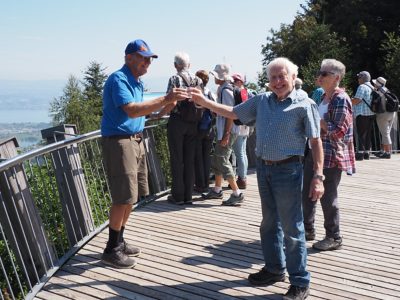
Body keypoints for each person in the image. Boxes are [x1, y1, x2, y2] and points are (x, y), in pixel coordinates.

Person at [190, 57, 324, 300]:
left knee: (292, 228)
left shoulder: (306, 105)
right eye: (273, 77)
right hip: (264, 169)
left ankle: (300, 281)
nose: (277, 81)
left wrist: (318, 176)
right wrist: (204, 101)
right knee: (269, 224)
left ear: (293, 77)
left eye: (282, 76)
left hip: (289, 170)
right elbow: (232, 111)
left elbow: (315, 143)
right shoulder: (262, 101)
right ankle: (275, 269)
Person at [100, 39, 188, 269]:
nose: (148, 62)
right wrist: (165, 98)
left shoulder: (136, 82)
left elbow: (146, 114)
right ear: (129, 58)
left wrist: (168, 106)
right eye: (143, 57)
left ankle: (119, 240)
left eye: (150, 58)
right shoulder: (118, 79)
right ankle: (111, 249)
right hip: (120, 143)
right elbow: (131, 110)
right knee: (122, 197)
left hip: (136, 141)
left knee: (131, 196)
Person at [302, 59, 356, 251]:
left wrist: (317, 119)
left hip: (331, 155)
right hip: (315, 153)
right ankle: (307, 230)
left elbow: (338, 131)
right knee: (307, 192)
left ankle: (334, 236)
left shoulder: (340, 99)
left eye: (324, 73)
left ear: (336, 78)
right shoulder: (324, 97)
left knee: (328, 197)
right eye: (320, 72)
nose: (320, 75)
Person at [160, 52, 203, 205]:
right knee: (190, 159)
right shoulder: (198, 80)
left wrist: (158, 115)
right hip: (193, 123)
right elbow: (201, 103)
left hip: (177, 122)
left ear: (175, 65)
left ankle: (178, 196)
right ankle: (188, 195)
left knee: (177, 159)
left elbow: (170, 102)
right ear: (189, 65)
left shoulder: (174, 79)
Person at [201, 64, 244, 206]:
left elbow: (230, 114)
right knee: (218, 159)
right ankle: (217, 189)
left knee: (222, 159)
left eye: (215, 75)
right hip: (227, 130)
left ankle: (237, 193)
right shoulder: (226, 88)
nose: (214, 78)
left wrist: (226, 134)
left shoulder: (225, 91)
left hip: (228, 131)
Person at [194, 70, 216, 193]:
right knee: (206, 156)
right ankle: (206, 183)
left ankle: (200, 184)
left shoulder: (199, 93)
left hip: (199, 128)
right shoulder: (210, 93)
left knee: (198, 156)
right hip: (209, 128)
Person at [231, 73, 250, 189]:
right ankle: (243, 177)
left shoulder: (236, 92)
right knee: (243, 153)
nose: (234, 82)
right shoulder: (247, 92)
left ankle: (241, 179)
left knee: (239, 154)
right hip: (246, 125)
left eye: (235, 80)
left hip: (238, 126)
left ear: (240, 81)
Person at [351, 71, 375, 161]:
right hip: (371, 113)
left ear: (362, 78)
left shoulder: (362, 87)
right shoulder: (372, 87)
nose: (358, 79)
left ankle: (360, 154)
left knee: (361, 134)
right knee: (368, 134)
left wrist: (349, 101)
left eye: (359, 77)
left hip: (362, 113)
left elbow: (357, 100)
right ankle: (367, 153)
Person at [373, 77, 396, 159]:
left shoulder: (378, 91)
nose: (374, 84)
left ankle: (387, 152)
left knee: (385, 134)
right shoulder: (387, 90)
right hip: (392, 113)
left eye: (375, 83)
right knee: (386, 133)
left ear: (378, 84)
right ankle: (383, 151)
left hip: (383, 114)